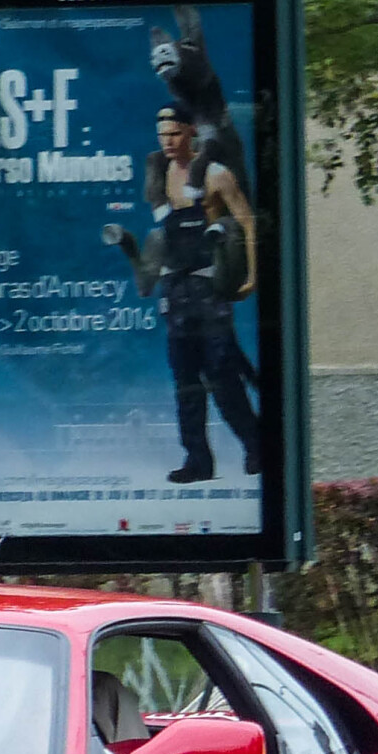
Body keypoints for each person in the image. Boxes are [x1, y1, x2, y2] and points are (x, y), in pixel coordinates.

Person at [105, 107, 262, 485]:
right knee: (186, 384)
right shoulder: (159, 181)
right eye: (162, 136)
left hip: (209, 289)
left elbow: (247, 219)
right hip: (175, 292)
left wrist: (253, 275)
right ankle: (197, 460)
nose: (168, 142)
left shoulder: (214, 175)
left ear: (190, 133)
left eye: (174, 134)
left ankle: (256, 445)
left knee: (224, 379)